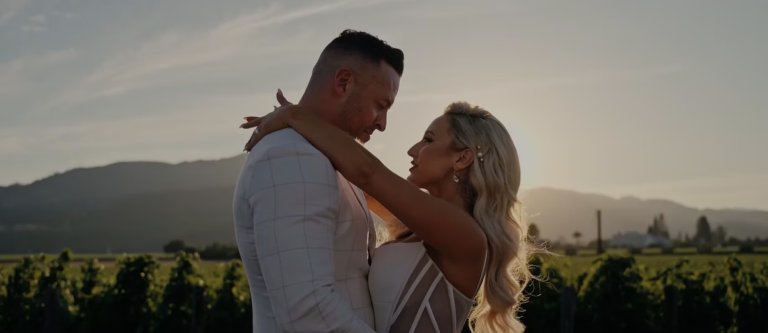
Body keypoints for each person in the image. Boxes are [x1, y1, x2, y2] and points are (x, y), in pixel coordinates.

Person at [241, 96, 532, 332]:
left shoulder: (465, 236)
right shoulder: (417, 228)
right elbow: (352, 176)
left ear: (462, 157)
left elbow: (368, 173)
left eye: (428, 140)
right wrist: (302, 130)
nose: (412, 150)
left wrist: (298, 117)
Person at [233, 29, 403, 333]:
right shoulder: (291, 157)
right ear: (343, 82)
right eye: (380, 105)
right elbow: (308, 312)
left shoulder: (324, 157)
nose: (383, 123)